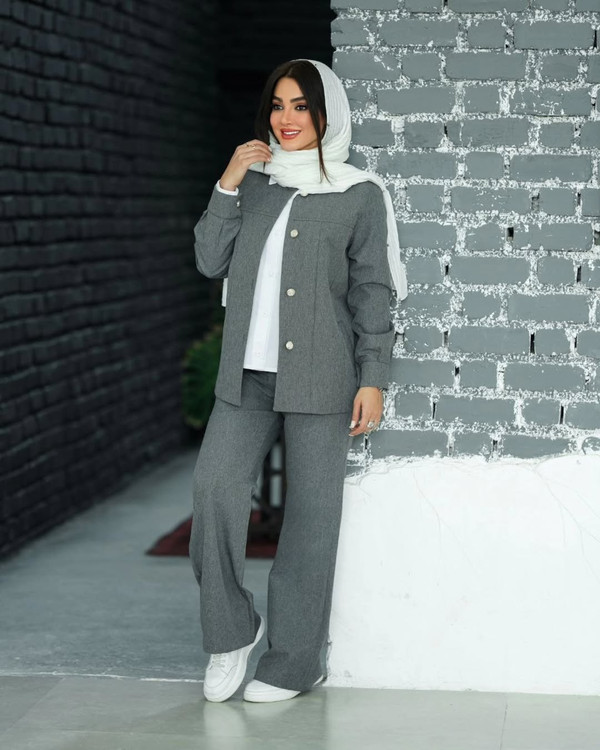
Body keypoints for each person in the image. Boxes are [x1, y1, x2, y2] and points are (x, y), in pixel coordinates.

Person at [189, 58, 407, 704]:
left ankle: (295, 662)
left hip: (323, 375)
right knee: (214, 489)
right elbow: (209, 259)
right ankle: (231, 631)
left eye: (301, 106)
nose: (287, 119)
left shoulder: (359, 194)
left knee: (311, 518)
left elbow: (372, 291)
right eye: (278, 105)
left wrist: (374, 376)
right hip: (246, 376)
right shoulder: (254, 184)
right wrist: (227, 182)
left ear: (326, 114)